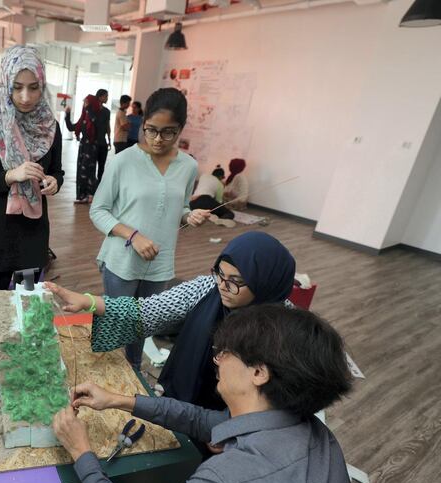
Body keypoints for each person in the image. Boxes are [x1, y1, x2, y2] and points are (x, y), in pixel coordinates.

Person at [52, 304, 362, 483]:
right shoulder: (311, 429)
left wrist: (82, 452)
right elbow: (203, 420)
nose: (217, 359)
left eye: (225, 353)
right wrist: (119, 400)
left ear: (258, 372)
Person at [48, 231, 296, 409]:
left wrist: (229, 427)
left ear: (265, 282)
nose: (223, 285)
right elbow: (147, 311)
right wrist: (90, 302)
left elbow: (277, 402)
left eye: (236, 281)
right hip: (179, 398)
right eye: (220, 273)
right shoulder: (206, 288)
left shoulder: (287, 329)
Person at [89, 87, 210, 369]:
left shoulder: (189, 166)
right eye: (151, 130)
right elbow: (98, 210)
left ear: (180, 128)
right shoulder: (123, 161)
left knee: (144, 325)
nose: (157, 139)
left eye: (168, 132)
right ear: (142, 124)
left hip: (160, 264)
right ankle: (107, 379)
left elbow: (177, 209)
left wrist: (189, 216)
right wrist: (133, 235)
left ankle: (134, 377)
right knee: (117, 325)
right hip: (122, 260)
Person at [0, 45, 63, 324]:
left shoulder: (49, 126)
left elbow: (57, 170)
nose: (26, 97)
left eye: (34, 88)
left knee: (29, 304)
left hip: (32, 234)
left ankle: (26, 360)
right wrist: (11, 175)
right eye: (17, 87)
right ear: (5, 84)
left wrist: (55, 181)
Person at [64, 96, 101, 204]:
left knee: (88, 171)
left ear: (91, 104)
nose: (84, 104)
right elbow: (71, 127)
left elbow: (95, 123)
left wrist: (88, 108)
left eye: (86, 102)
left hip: (92, 147)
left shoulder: (96, 116)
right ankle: (83, 196)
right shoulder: (84, 118)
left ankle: (89, 195)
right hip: (83, 147)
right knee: (82, 171)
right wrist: (67, 114)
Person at [94, 88, 111, 185]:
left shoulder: (107, 111)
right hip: (94, 143)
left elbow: (107, 126)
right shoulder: (93, 110)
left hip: (102, 143)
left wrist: (109, 139)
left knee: (101, 166)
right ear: (100, 97)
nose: (107, 98)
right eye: (105, 96)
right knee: (93, 166)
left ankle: (100, 184)